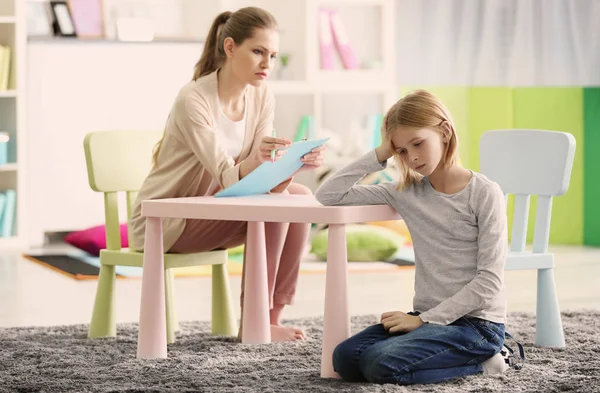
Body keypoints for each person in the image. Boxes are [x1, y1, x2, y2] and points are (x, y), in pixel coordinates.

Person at [130, 7, 325, 342]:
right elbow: (226, 174)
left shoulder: (262, 95)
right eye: (258, 52)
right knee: (273, 209)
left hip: (217, 206)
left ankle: (268, 318)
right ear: (230, 48)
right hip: (166, 219)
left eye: (273, 55)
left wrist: (295, 162)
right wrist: (260, 159)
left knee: (301, 199)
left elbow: (266, 182)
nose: (267, 64)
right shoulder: (193, 99)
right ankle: (254, 321)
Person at [315, 90, 523, 384]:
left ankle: (488, 362)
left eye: (418, 143)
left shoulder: (484, 193)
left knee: (379, 364)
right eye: (401, 150)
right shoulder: (405, 193)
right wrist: (380, 153)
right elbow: (328, 194)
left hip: (477, 326)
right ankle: (433, 350)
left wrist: (422, 320)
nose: (411, 157)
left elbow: (489, 281)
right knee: (345, 358)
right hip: (426, 318)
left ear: (445, 132)